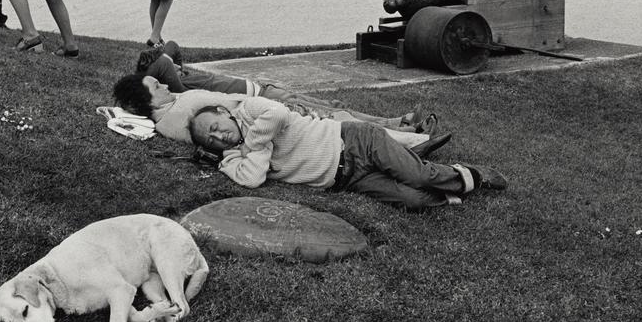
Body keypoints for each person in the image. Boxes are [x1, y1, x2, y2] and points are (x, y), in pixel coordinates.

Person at [189, 98, 507, 211]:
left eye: (215, 125)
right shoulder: (231, 159)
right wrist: (248, 149)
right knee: (413, 201)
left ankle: (472, 176)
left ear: (221, 111)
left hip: (354, 141)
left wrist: (254, 143)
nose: (218, 136)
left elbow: (279, 114)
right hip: (348, 179)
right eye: (211, 139)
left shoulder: (249, 110)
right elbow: (253, 179)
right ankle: (441, 184)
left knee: (417, 175)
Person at [112, 72, 447, 151]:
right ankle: (409, 140)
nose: (165, 86)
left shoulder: (171, 110)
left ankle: (406, 132)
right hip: (269, 115)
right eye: (156, 87)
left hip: (265, 108)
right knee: (338, 120)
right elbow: (230, 117)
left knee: (339, 115)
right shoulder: (179, 112)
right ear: (145, 101)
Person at [135, 42, 425, 131]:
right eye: (158, 78)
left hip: (264, 88)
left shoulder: (177, 77)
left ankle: (395, 122)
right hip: (265, 97)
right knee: (330, 117)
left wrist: (179, 63)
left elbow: (169, 48)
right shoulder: (178, 89)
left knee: (331, 108)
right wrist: (169, 66)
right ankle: (398, 132)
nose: (164, 78)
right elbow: (163, 56)